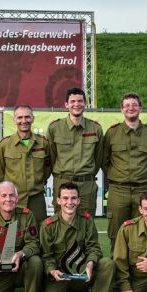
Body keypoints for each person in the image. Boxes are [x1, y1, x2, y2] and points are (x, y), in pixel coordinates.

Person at [39, 182, 114, 292]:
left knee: (107, 264)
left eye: (73, 198)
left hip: (83, 274)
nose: (69, 202)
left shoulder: (87, 221)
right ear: (58, 200)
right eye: (65, 198)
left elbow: (94, 247)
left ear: (79, 201)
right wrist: (53, 271)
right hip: (60, 276)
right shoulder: (48, 225)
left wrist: (90, 264)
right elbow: (46, 256)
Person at [102, 92, 147, 252]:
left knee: (141, 234)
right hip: (118, 190)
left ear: (140, 108)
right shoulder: (112, 133)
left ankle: (139, 273)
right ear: (121, 110)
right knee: (116, 233)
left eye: (134, 105)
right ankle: (117, 271)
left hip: (143, 191)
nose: (130, 108)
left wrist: (142, 178)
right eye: (126, 105)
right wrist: (118, 177)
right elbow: (104, 161)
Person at [48, 87, 103, 216]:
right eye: (72, 101)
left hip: (86, 186)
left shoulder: (96, 128)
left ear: (85, 103)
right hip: (62, 183)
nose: (76, 104)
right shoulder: (55, 128)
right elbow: (51, 156)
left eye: (80, 101)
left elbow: (99, 158)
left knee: (86, 225)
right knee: (61, 225)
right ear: (66, 104)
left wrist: (87, 175)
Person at [0, 104, 53, 222]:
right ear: (14, 120)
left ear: (33, 118)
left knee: (37, 234)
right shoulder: (5, 144)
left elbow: (47, 168)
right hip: (13, 199)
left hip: (36, 199)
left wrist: (38, 182)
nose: (24, 121)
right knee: (11, 236)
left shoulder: (43, 143)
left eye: (27, 117)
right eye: (20, 117)